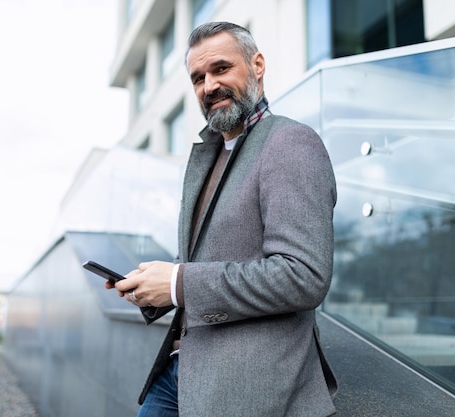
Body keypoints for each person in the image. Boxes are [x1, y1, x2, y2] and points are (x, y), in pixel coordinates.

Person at [108, 21, 338, 417]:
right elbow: (213, 263)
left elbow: (304, 276)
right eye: (198, 78)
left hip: (247, 389)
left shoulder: (289, 143)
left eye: (220, 69)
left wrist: (180, 284)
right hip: (178, 373)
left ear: (258, 65)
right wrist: (154, 288)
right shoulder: (207, 157)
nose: (208, 86)